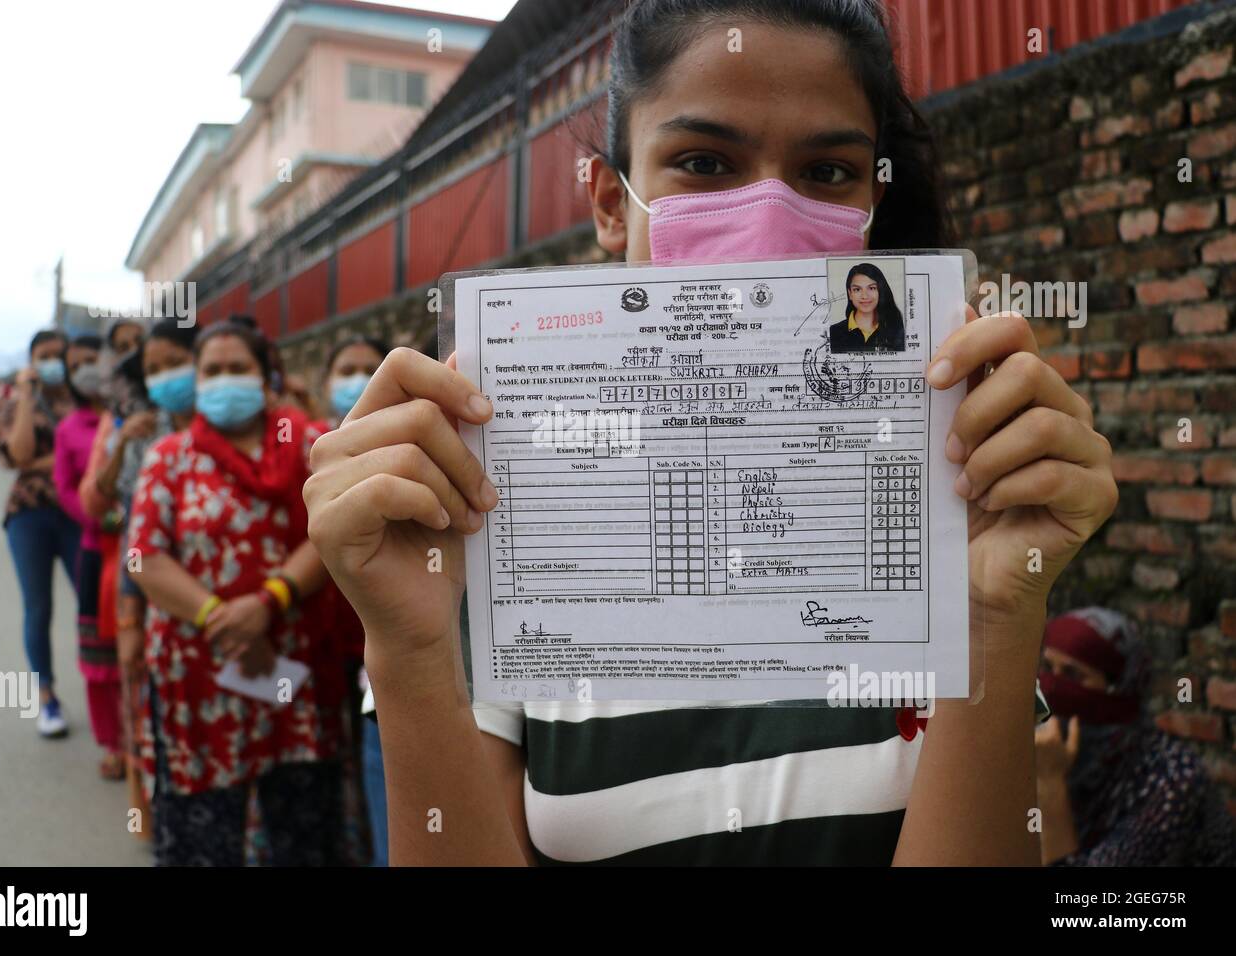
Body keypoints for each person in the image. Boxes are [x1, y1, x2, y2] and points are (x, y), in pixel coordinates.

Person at [303, 0, 1120, 866]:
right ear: (611, 204)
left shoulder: (946, 507)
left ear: (873, 202)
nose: (769, 214)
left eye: (828, 171)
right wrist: (407, 644)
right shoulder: (491, 525)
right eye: (703, 161)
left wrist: (996, 614)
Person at [127, 321, 345, 866]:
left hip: (290, 667)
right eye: (212, 371)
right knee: (205, 835)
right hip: (200, 671)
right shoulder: (169, 458)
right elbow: (144, 558)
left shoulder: (308, 446)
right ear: (197, 381)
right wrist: (221, 618)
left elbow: (335, 533)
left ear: (266, 376)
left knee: (300, 824)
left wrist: (268, 602)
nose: (225, 380)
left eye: (237, 368)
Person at [80, 318, 199, 836]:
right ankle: (151, 813)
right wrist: (125, 444)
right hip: (145, 576)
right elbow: (116, 507)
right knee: (144, 684)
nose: (164, 377)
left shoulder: (226, 422)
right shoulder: (135, 423)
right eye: (152, 368)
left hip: (213, 577)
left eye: (175, 363)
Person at [1035, 608, 1236, 866]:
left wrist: (1050, 785)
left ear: (1119, 690)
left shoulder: (1171, 782)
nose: (1052, 687)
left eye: (1073, 675)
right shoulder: (1043, 747)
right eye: (1047, 668)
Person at [321, 336, 391, 865]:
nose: (359, 378)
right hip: (323, 657)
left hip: (387, 682)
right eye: (347, 369)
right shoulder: (310, 454)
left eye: (372, 368)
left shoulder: (423, 452)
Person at [0, 330, 80, 738]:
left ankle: (108, 688)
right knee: (39, 607)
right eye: (42, 356)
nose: (51, 362)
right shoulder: (17, 406)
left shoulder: (83, 399)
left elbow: (92, 452)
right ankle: (47, 697)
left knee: (92, 603)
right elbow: (17, 456)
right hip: (28, 516)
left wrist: (47, 462)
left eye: (57, 354)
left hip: (76, 515)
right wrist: (27, 396)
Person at [53, 334, 124, 779]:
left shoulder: (136, 415)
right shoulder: (70, 429)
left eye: (95, 361)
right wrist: (104, 519)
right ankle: (113, 742)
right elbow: (66, 491)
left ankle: (142, 744)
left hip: (144, 550)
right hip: (99, 550)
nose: (89, 371)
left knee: (139, 649)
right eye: (77, 364)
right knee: (100, 656)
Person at [828, 262, 905, 352]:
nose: (864, 296)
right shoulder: (833, 333)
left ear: (881, 291)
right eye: (857, 289)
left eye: (872, 288)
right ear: (850, 294)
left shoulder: (896, 331)